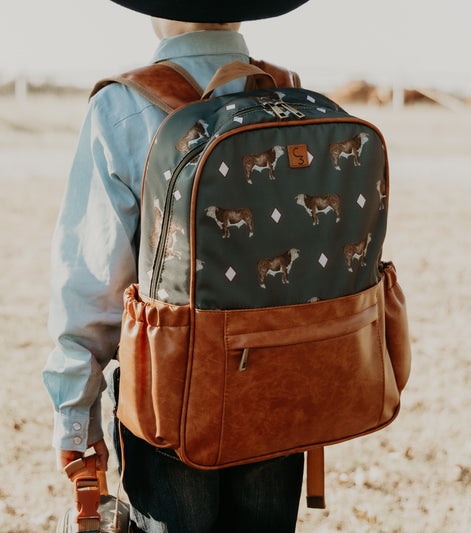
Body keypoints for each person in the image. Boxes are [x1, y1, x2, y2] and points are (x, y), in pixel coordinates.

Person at [42, 1, 309, 531]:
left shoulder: (122, 106)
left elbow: (93, 278)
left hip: (171, 386)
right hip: (281, 377)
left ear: (158, 12)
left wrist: (76, 413)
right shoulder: (287, 93)